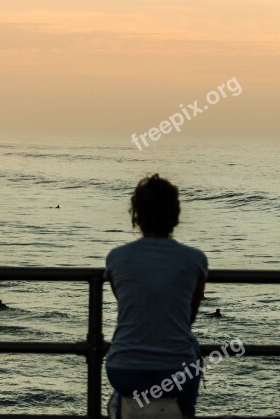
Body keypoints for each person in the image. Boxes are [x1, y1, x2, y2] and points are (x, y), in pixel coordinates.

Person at [105, 174, 208, 419]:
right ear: (176, 214)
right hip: (175, 373)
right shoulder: (195, 259)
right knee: (191, 345)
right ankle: (185, 413)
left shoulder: (116, 258)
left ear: (136, 214)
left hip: (123, 370)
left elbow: (130, 304)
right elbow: (187, 320)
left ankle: (121, 406)